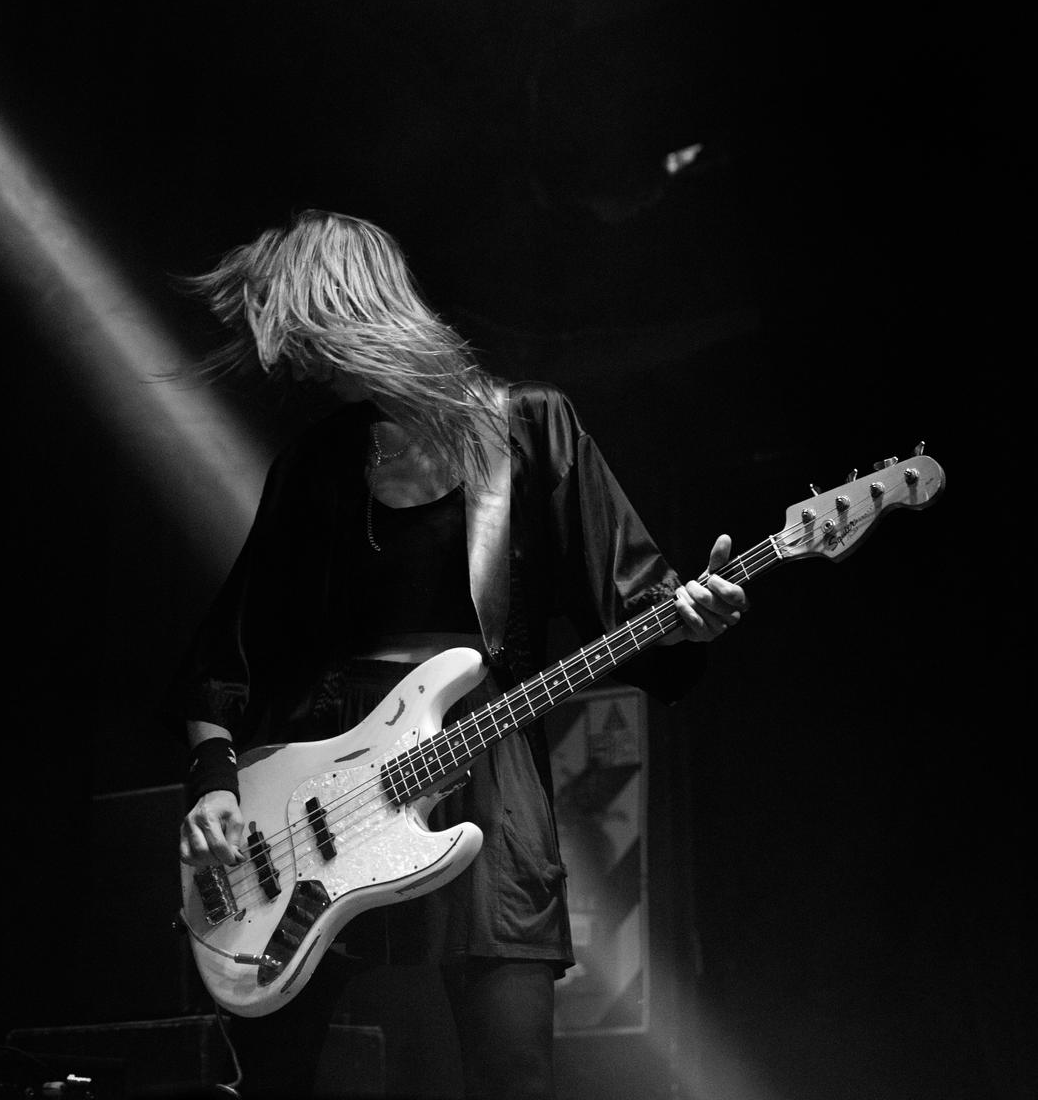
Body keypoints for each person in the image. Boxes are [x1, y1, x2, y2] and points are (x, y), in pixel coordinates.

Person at [167, 209, 747, 1100]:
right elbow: (225, 650)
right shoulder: (315, 465)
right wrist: (214, 779)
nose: (289, 366)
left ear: (341, 312)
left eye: (297, 335)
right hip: (321, 794)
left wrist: (691, 618)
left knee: (512, 1069)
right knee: (280, 1072)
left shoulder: (532, 429)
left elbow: (638, 606)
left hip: (488, 763)